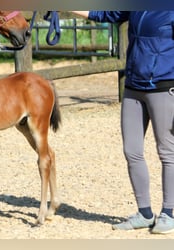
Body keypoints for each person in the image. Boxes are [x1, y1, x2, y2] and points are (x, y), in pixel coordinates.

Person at [70, 11, 174, 234]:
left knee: (167, 152)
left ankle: (169, 212)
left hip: (165, 86)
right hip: (134, 87)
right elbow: (106, 13)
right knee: (132, 151)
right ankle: (145, 213)